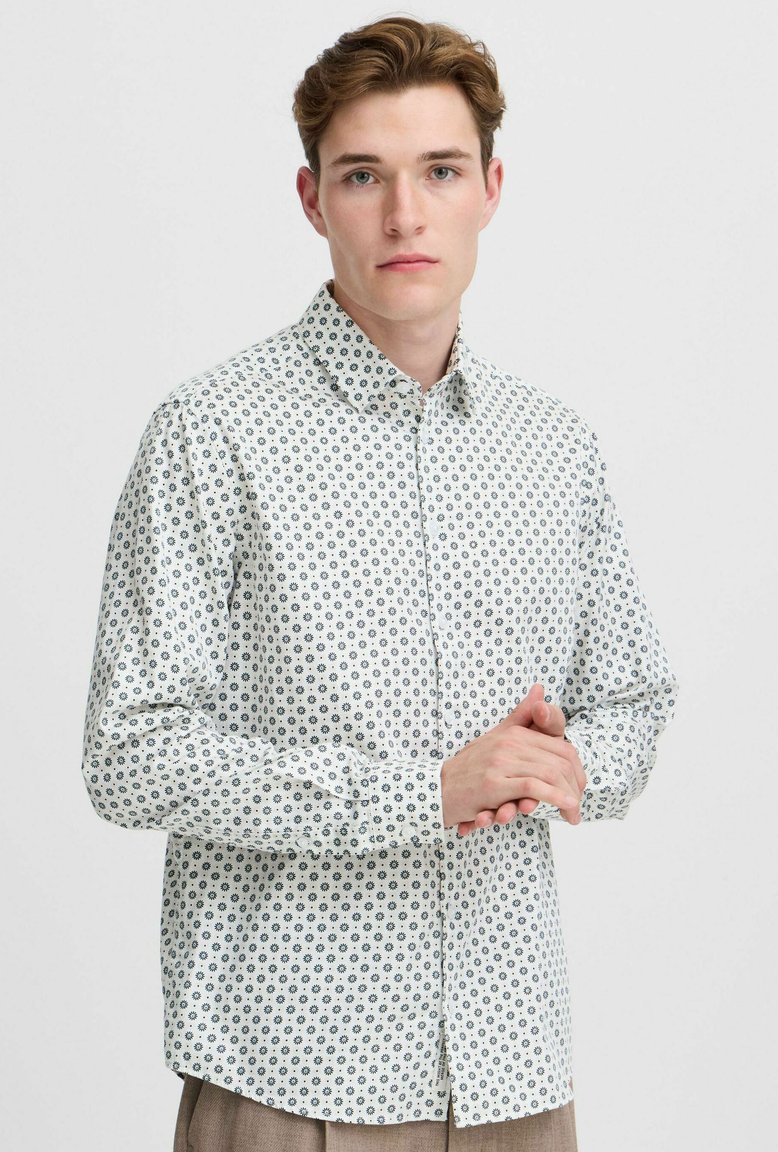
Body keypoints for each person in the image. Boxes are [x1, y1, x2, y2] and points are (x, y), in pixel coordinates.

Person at [80, 15, 679, 1152]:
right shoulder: (212, 435)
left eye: (439, 171)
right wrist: (426, 793)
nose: (405, 214)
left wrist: (565, 766)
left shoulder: (554, 447)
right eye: (364, 176)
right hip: (293, 1075)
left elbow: (634, 700)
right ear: (312, 200)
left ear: (490, 189)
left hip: (514, 1071)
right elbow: (130, 753)